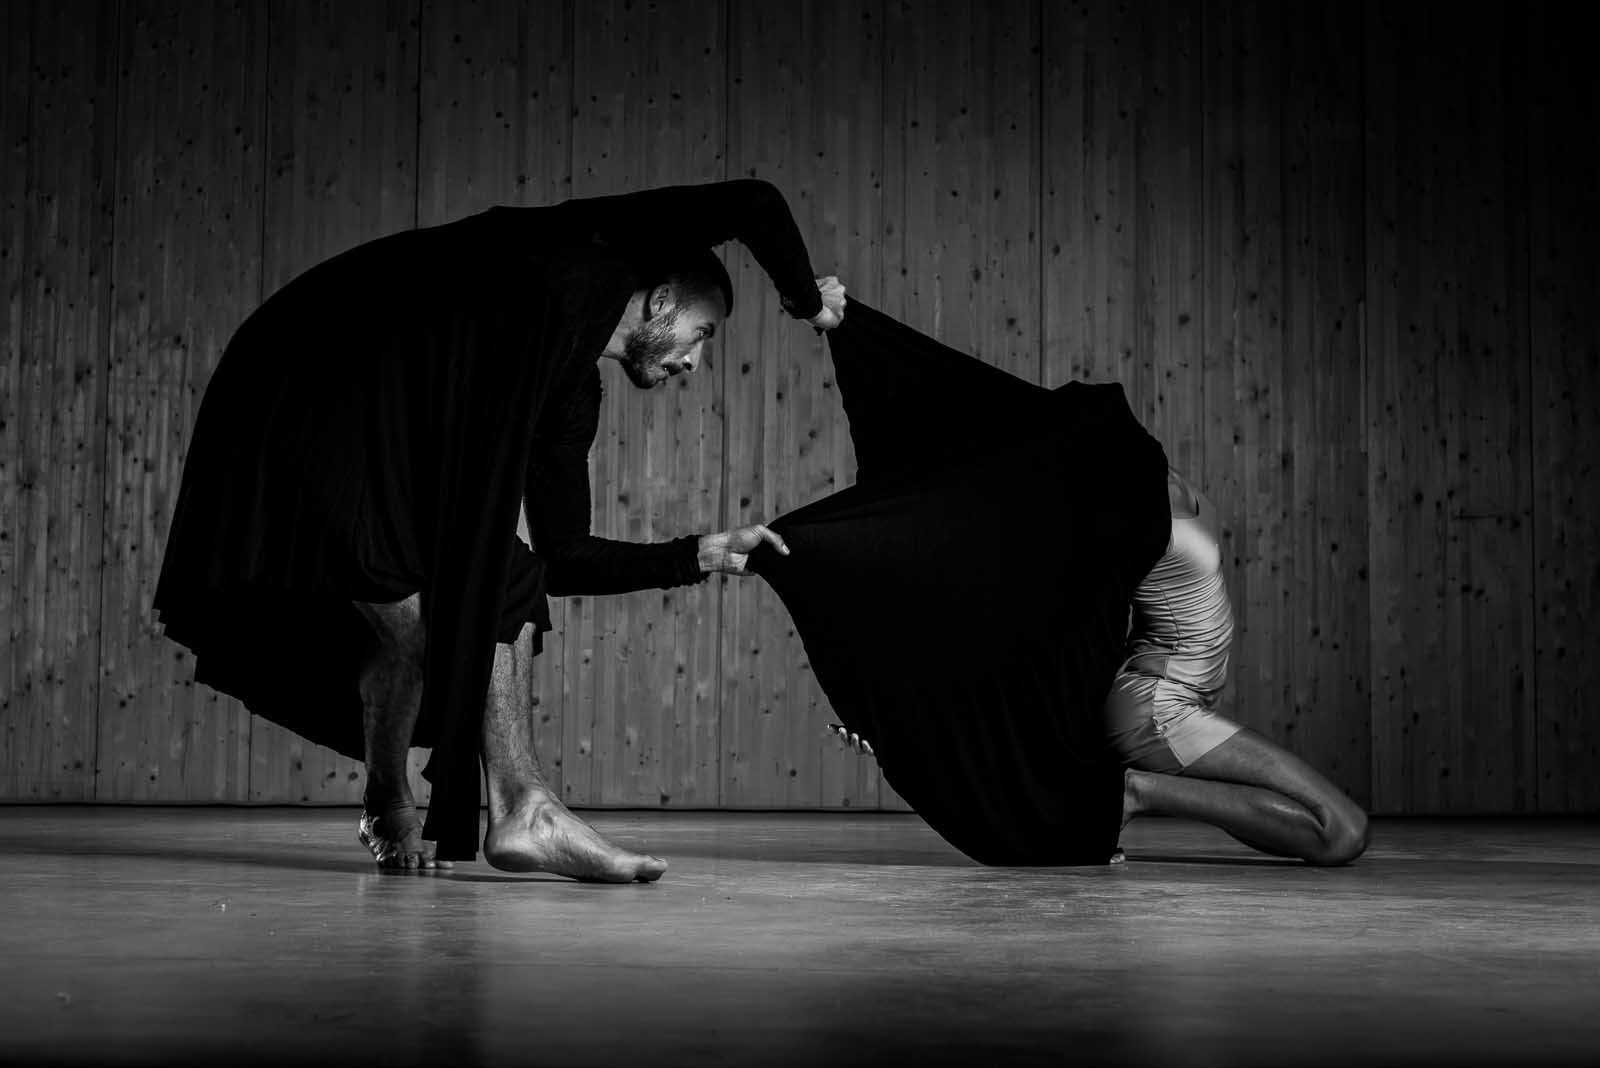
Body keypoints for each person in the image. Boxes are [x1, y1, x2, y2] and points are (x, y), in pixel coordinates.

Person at [152, 180, 847, 881]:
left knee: (505, 583)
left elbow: (564, 556)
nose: (693, 362)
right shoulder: (584, 259)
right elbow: (755, 202)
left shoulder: (570, 390)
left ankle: (493, 808)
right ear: (661, 300)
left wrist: (696, 556)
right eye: (703, 334)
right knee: (439, 610)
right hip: (305, 377)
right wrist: (809, 302)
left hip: (395, 436)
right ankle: (483, 805)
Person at [749, 296, 1368, 867]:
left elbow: (1001, 410)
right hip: (1158, 707)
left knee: (1329, 826)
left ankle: (1132, 794)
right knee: (1340, 832)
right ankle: (1134, 794)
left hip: (1161, 695)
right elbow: (998, 585)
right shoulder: (1117, 506)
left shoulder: (1130, 470)